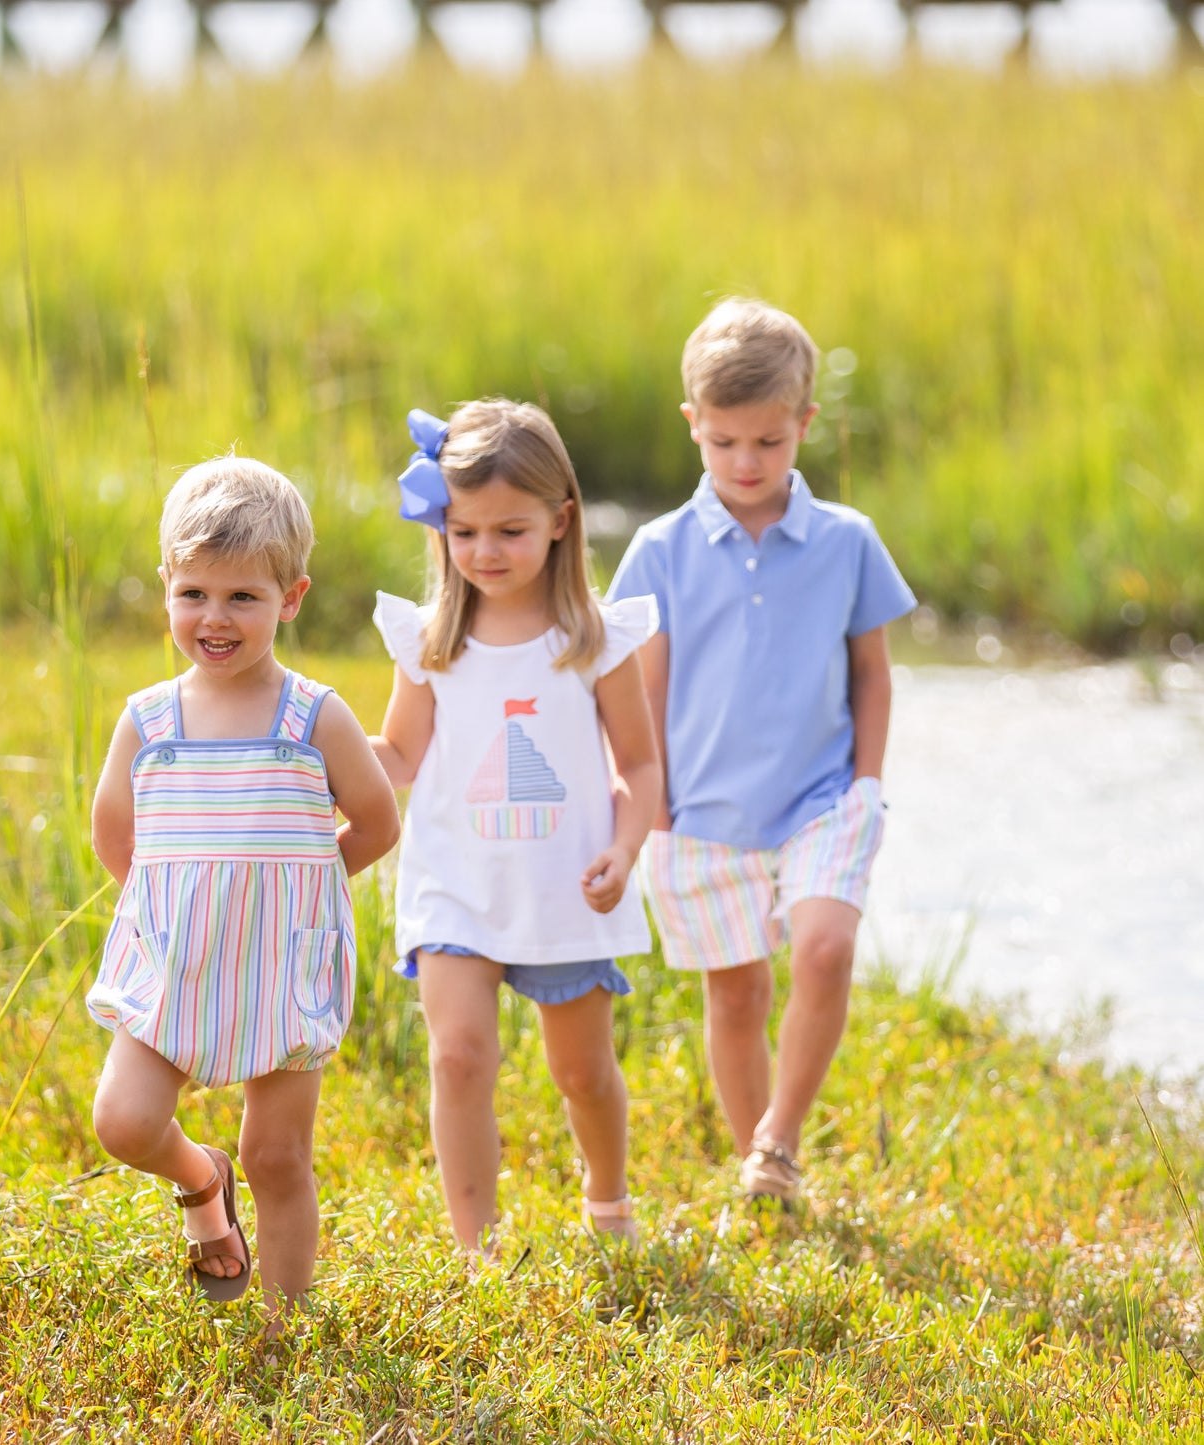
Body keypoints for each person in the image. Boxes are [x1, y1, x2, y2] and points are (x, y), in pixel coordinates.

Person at [608, 298, 916, 1209]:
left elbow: (872, 674)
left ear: (804, 427)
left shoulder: (846, 542)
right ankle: (764, 1173)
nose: (747, 464)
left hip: (821, 797)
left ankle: (778, 1135)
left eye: (769, 444)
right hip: (699, 811)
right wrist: (649, 803)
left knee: (823, 948)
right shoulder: (659, 550)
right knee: (735, 998)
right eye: (726, 442)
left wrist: (865, 781)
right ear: (692, 425)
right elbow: (642, 687)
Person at [87, 454, 400, 1310]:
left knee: (277, 1155)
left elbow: (376, 821)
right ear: (165, 588)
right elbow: (116, 834)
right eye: (193, 594)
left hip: (280, 966)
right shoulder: (149, 719)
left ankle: (282, 1325)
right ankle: (198, 1181)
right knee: (122, 1120)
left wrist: (300, 886)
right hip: (177, 961)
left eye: (242, 597)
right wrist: (173, 903)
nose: (213, 617)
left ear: (290, 598)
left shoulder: (313, 715)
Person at [370, 400, 661, 1260]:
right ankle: (478, 1250)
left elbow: (639, 766)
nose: (485, 553)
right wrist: (317, 760)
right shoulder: (431, 643)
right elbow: (396, 751)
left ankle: (607, 1199)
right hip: (455, 886)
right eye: (463, 533)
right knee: (458, 1057)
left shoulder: (590, 639)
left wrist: (625, 843)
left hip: (567, 887)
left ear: (560, 521)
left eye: (510, 530)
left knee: (581, 1072)